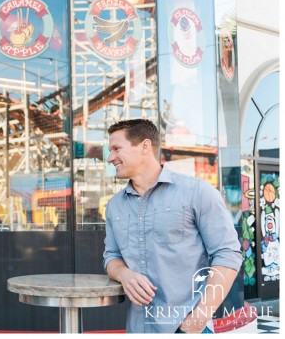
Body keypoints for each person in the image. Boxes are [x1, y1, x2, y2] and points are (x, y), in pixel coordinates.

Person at [102, 119, 242, 333]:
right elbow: (111, 256)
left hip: (186, 326)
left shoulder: (197, 192)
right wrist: (123, 274)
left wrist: (197, 320)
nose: (110, 158)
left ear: (145, 146)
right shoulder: (114, 206)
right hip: (138, 327)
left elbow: (228, 254)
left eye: (116, 148)